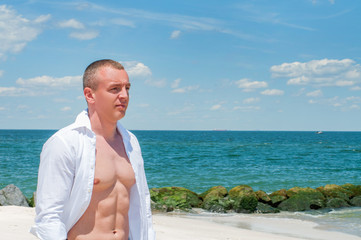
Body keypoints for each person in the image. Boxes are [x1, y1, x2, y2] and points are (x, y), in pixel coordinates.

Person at [30, 59, 155, 240]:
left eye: (127, 88)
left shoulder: (131, 142)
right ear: (90, 95)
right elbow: (49, 216)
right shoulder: (65, 142)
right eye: (115, 89)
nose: (124, 95)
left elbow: (143, 207)